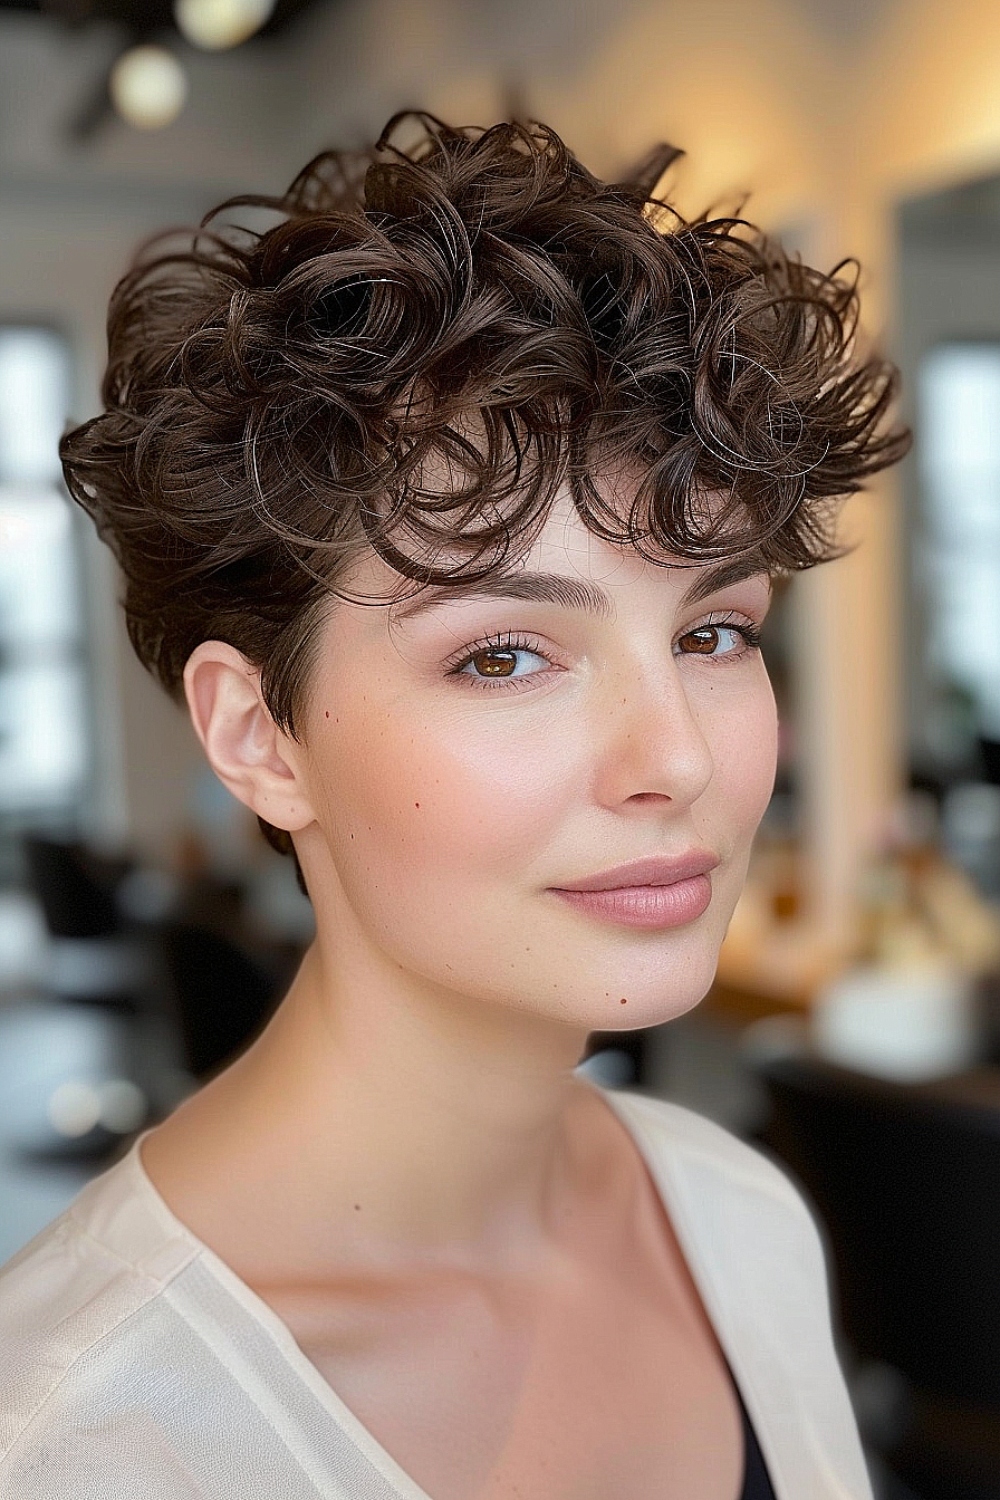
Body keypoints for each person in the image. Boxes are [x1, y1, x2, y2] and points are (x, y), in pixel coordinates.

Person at [0, 113, 908, 1499]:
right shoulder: (90, 1439)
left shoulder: (740, 1221)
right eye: (504, 654)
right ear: (259, 736)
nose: (672, 758)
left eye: (715, 633)